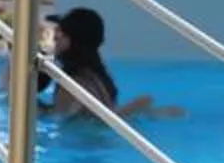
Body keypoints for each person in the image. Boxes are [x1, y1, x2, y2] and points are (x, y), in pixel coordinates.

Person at [37, 7, 179, 121]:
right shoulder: (98, 76)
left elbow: (61, 120)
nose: (55, 38)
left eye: (60, 34)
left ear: (73, 41)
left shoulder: (73, 84)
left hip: (84, 144)